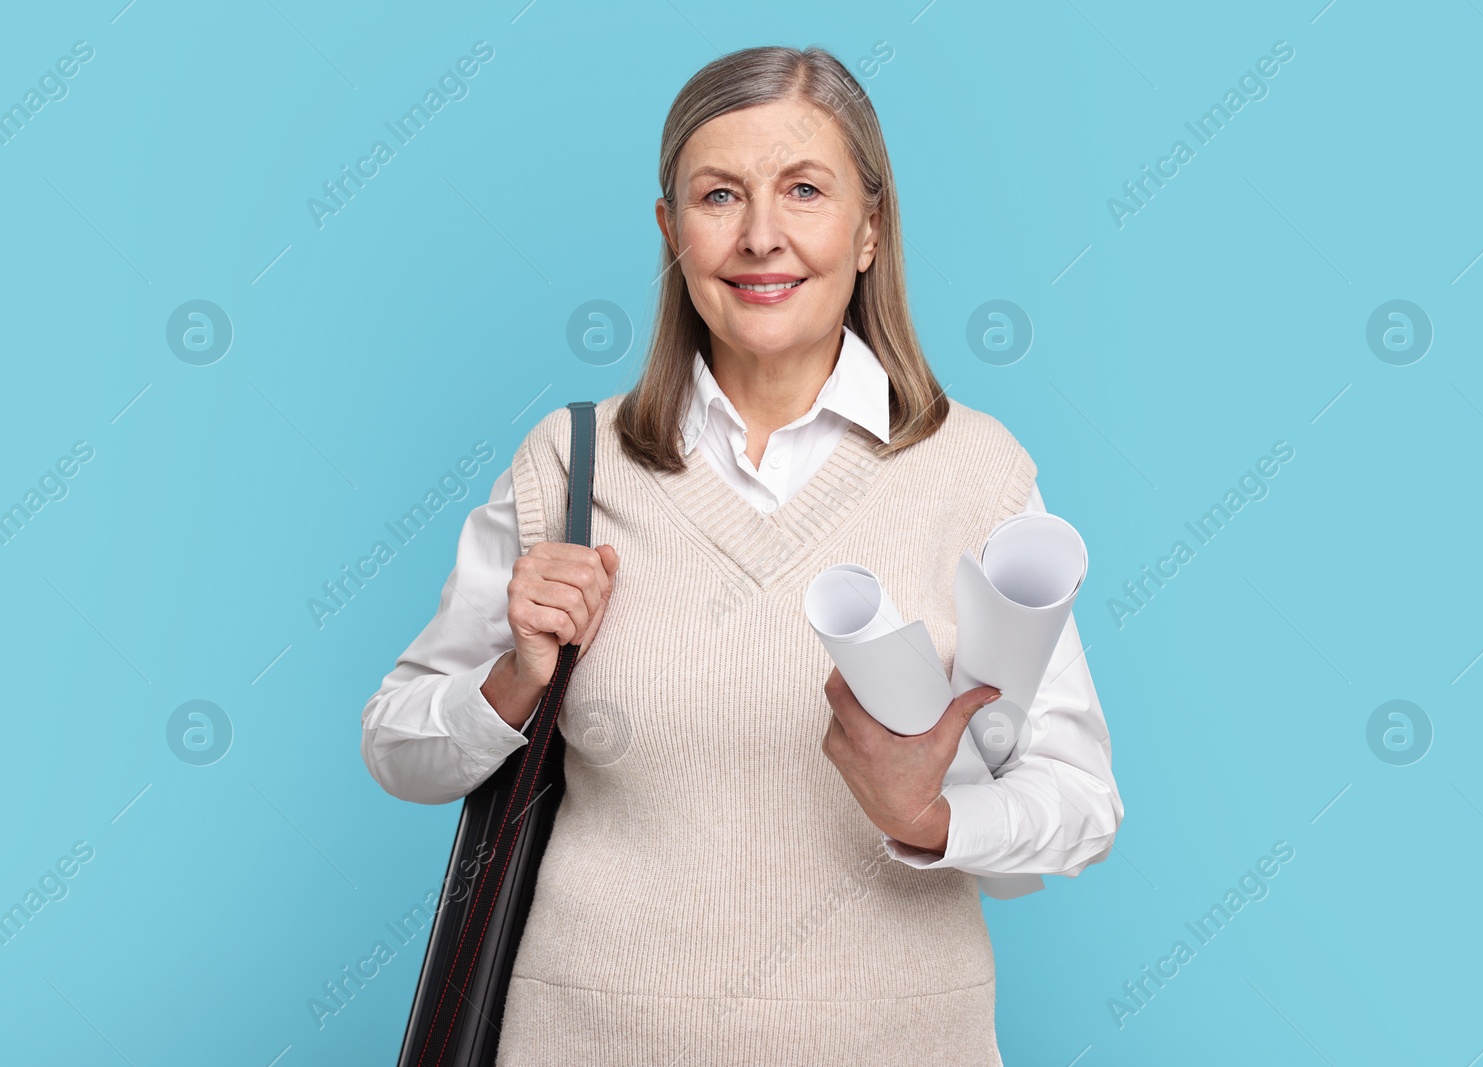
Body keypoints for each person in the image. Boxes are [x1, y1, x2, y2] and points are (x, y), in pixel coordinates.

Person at [361, 44, 1123, 1066]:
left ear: (869, 227)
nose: (761, 236)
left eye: (803, 189)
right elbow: (398, 749)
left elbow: (1081, 805)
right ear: (672, 231)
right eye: (719, 195)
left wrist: (931, 816)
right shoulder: (572, 466)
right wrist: (512, 677)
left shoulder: (973, 472)